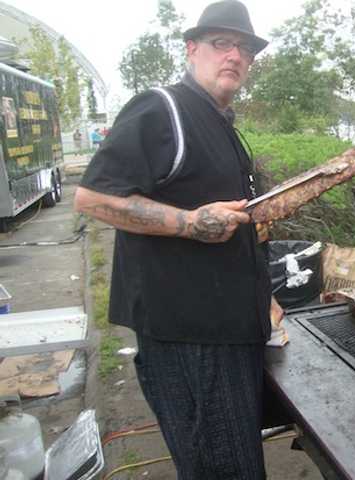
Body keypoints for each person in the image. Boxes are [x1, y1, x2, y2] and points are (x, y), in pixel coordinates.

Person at [74, 1, 281, 478]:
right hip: (193, 336)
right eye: (220, 43)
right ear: (192, 49)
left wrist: (262, 297)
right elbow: (93, 198)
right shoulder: (163, 107)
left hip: (226, 328)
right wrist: (189, 223)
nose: (234, 55)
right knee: (226, 469)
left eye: (244, 48)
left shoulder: (220, 122)